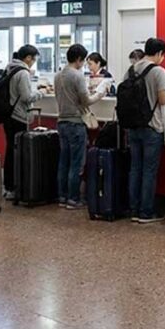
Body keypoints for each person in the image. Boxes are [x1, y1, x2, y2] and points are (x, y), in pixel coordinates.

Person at [55, 44, 109, 209]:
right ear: (78, 59)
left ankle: (62, 196)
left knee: (63, 161)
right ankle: (74, 198)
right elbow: (86, 100)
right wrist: (100, 94)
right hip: (76, 123)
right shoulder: (77, 76)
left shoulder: (58, 76)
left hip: (62, 122)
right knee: (76, 163)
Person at [127, 38, 165, 224]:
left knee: (135, 168)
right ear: (159, 53)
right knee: (149, 171)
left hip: (133, 126)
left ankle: (134, 209)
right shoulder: (158, 71)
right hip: (152, 126)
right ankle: (146, 212)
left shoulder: (132, 69)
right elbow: (163, 100)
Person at [3, 45, 44, 199]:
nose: (33, 62)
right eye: (34, 59)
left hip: (8, 115)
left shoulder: (10, 68)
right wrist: (41, 93)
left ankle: (8, 186)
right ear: (28, 58)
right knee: (17, 152)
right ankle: (15, 186)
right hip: (19, 117)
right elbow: (27, 97)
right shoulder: (23, 73)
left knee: (10, 150)